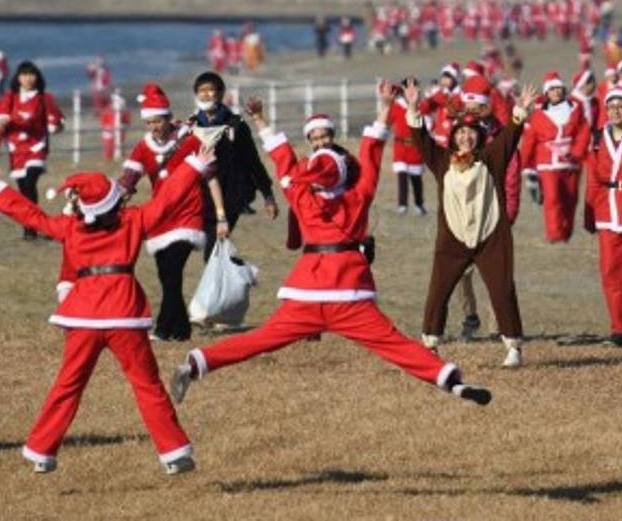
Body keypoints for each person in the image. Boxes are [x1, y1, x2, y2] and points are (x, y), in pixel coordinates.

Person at [170, 86, 492, 410]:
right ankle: (450, 380)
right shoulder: (359, 193)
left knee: (259, 339)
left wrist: (260, 120)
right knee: (393, 344)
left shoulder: (300, 193)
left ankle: (197, 363)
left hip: (307, 290)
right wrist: (383, 106)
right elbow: (371, 148)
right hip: (348, 292)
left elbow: (281, 157)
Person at [0, 144, 214, 475]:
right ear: (115, 201)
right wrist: (194, 166)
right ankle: (173, 452)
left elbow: (35, 217)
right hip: (124, 314)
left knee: (68, 384)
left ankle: (42, 450)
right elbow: (167, 199)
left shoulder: (71, 228)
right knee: (147, 385)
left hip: (83, 315)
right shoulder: (134, 220)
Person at [410, 79, 536, 368]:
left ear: (479, 136)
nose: (466, 137)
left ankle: (513, 346)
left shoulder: (492, 158)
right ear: (453, 136)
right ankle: (430, 343)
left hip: (491, 236)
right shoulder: (442, 161)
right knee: (438, 290)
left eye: (471, 132)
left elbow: (511, 135)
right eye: (461, 132)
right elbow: (421, 140)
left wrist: (520, 111)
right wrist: (415, 108)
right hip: (452, 238)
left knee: (502, 289)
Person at [120, 83, 225, 342]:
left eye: (158, 121)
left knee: (172, 270)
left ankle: (163, 328)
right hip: (160, 218)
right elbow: (128, 182)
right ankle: (181, 330)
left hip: (188, 216)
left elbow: (211, 179)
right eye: (150, 122)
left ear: (168, 118)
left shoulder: (190, 142)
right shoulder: (143, 148)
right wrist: (110, 204)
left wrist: (221, 216)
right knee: (166, 274)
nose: (154, 127)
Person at [189, 72, 278, 260]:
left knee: (213, 250)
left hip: (231, 196)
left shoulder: (236, 126)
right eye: (201, 91)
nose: (205, 95)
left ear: (221, 94)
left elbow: (253, 162)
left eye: (210, 90)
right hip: (200, 197)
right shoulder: (191, 126)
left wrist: (268, 197)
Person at [584, 87, 622, 345]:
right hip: (607, 214)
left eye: (621, 105)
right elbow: (592, 178)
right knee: (611, 275)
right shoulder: (597, 138)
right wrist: (589, 212)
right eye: (611, 106)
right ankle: (620, 331)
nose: (616, 110)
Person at [0, 61, 64, 239]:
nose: (28, 78)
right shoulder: (11, 97)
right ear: (18, 78)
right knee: (24, 190)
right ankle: (32, 227)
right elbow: (0, 115)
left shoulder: (44, 97)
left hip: (36, 146)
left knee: (30, 182)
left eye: (31, 74)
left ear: (37, 77)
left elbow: (56, 118)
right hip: (16, 149)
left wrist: (54, 125)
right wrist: (1, 121)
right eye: (24, 75)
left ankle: (33, 227)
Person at [520, 72, 590, 244]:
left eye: (558, 88)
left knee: (571, 199)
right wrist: (526, 164)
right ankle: (554, 233)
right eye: (552, 89)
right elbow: (530, 139)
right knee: (552, 198)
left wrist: (577, 151)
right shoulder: (538, 114)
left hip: (571, 162)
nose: (556, 92)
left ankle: (566, 232)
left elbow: (583, 131)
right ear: (547, 93)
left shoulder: (576, 108)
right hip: (547, 162)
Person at [387, 80, 427, 216]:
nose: (410, 91)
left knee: (416, 178)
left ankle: (419, 204)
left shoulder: (421, 106)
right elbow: (387, 119)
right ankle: (402, 204)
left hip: (415, 148)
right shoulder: (397, 106)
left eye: (414, 87)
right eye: (407, 88)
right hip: (401, 146)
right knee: (402, 175)